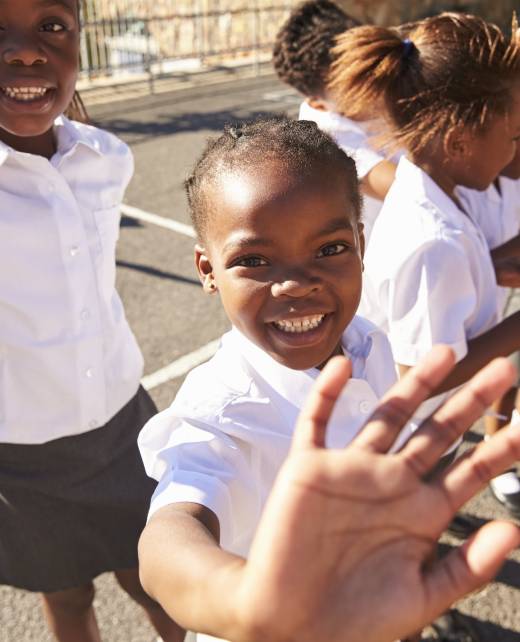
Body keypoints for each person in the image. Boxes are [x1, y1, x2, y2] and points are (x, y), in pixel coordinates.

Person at [0, 1, 182, 640]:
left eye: (51, 26)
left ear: (79, 38)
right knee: (69, 597)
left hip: (122, 424)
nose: (25, 51)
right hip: (20, 458)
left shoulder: (106, 158)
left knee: (162, 582)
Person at [329, 13, 520, 425]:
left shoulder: (430, 192)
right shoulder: (432, 241)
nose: (514, 151)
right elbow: (421, 381)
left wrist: (486, 267)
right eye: (514, 137)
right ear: (459, 142)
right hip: (413, 450)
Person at [272, 0, 398, 243]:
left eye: (371, 67)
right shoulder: (329, 140)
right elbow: (410, 190)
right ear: (319, 103)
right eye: (354, 87)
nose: (373, 85)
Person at [458, 145, 520, 512]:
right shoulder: (461, 189)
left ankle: (499, 454)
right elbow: (473, 259)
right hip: (478, 313)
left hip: (503, 304)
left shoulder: (509, 179)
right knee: (500, 379)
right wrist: (496, 265)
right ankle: (495, 458)